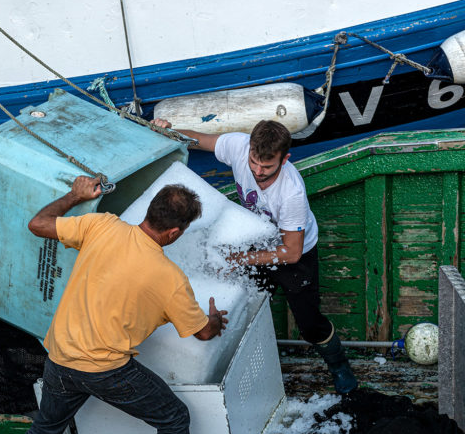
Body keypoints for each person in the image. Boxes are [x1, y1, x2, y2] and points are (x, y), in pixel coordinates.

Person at [5, 175, 228, 434]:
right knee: (174, 420)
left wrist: (75, 196)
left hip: (60, 355)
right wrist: (215, 320)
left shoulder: (101, 225)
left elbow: (38, 224)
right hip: (106, 370)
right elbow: (202, 333)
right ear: (173, 233)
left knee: (46, 428)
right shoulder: (169, 278)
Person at [152, 117, 358, 394]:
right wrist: (168, 131)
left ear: (285, 159)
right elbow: (199, 139)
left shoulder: (291, 194)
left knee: (309, 324)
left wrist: (240, 259)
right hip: (256, 238)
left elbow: (292, 252)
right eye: (254, 162)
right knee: (245, 305)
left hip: (295, 254)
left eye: (267, 166)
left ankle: (338, 365)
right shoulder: (239, 146)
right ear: (249, 148)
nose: (258, 171)